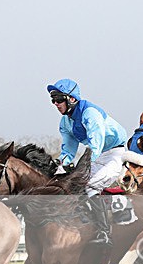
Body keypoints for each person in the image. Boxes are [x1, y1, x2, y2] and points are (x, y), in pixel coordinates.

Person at [47, 78, 128, 244]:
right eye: (53, 100)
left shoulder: (90, 113)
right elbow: (68, 150)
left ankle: (105, 233)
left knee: (90, 185)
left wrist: (80, 169)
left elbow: (95, 146)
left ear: (72, 99)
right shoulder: (65, 122)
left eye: (59, 99)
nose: (55, 103)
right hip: (98, 156)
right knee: (74, 186)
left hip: (115, 154)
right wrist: (61, 165)